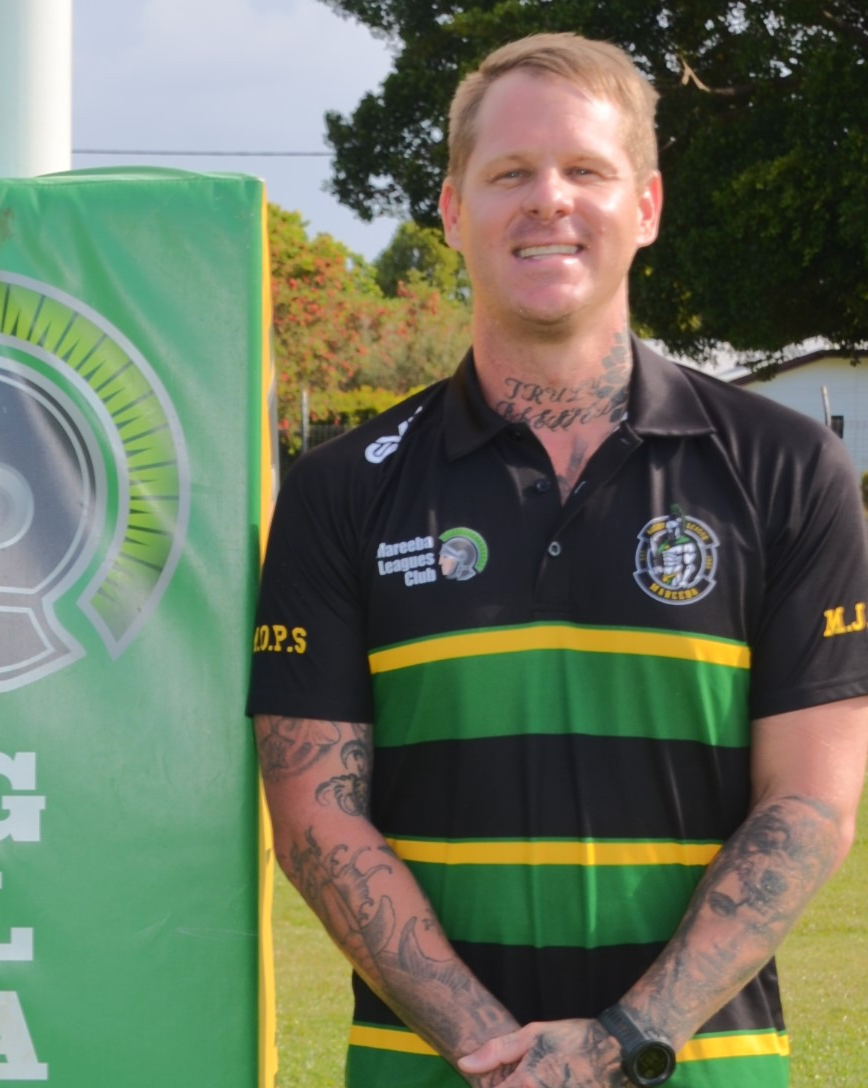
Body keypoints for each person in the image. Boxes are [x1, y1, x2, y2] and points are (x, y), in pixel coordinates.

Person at [248, 33, 868, 1088]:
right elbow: (315, 812)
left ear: (649, 206)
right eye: (509, 174)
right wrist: (492, 1048)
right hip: (428, 1066)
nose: (549, 200)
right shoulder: (340, 485)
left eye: (586, 169)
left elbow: (809, 802)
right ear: (451, 211)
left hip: (702, 1064)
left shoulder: (787, 466)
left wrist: (629, 1037)